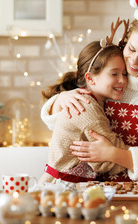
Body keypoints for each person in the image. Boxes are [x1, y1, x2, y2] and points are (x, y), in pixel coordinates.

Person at [41, 0, 138, 182]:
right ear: (125, 40)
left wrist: (113, 154)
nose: (134, 62)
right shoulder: (109, 73)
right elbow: (67, 123)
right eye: (132, 49)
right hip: (103, 187)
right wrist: (61, 100)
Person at [38, 19, 130, 184]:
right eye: (114, 74)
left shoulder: (93, 102)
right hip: (62, 189)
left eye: (125, 74)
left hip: (69, 187)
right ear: (91, 79)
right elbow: (105, 162)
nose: (122, 80)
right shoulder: (86, 107)